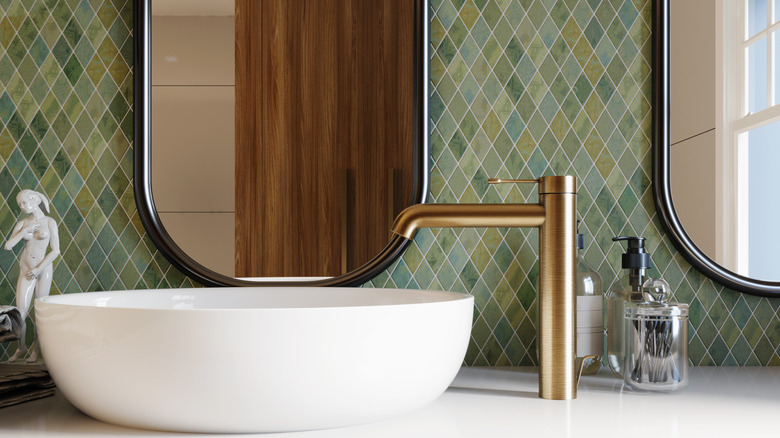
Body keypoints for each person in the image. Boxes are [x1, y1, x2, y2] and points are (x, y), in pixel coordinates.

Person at [4, 189, 59, 363]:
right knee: (20, 313)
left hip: (43, 269)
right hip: (26, 270)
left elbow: (55, 250)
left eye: (24, 203)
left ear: (34, 200)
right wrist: (23, 230)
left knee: (39, 312)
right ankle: (21, 348)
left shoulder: (50, 222)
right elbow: (8, 246)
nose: (22, 207)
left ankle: (35, 350)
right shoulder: (23, 223)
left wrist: (39, 268)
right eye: (19, 204)